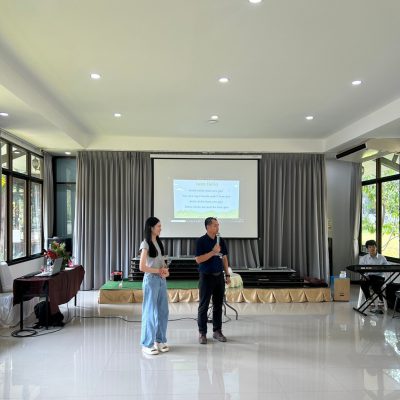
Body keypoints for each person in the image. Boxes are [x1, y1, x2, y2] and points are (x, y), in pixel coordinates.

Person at [195, 217, 231, 344]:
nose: (217, 227)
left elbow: (224, 258)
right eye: (215, 225)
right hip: (206, 277)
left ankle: (217, 331)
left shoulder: (220, 240)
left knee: (218, 305)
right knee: (203, 306)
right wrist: (213, 252)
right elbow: (198, 259)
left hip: (219, 276)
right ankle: (202, 333)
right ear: (208, 227)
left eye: (218, 225)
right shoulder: (201, 241)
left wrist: (227, 275)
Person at [139, 217, 170, 355]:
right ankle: (147, 344)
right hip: (151, 280)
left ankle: (160, 340)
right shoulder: (145, 243)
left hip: (161, 280)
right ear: (151, 228)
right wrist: (158, 271)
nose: (160, 228)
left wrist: (165, 270)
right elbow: (142, 267)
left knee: (163, 311)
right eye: (158, 226)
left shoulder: (158, 242)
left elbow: (162, 263)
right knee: (150, 312)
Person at [359, 239, 388, 312]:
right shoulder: (364, 258)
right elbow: (361, 269)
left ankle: (381, 300)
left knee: (376, 285)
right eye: (370, 247)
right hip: (368, 277)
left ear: (376, 247)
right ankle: (369, 299)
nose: (372, 248)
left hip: (379, 277)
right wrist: (364, 275)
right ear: (367, 249)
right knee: (363, 283)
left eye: (373, 246)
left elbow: (387, 268)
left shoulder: (382, 258)